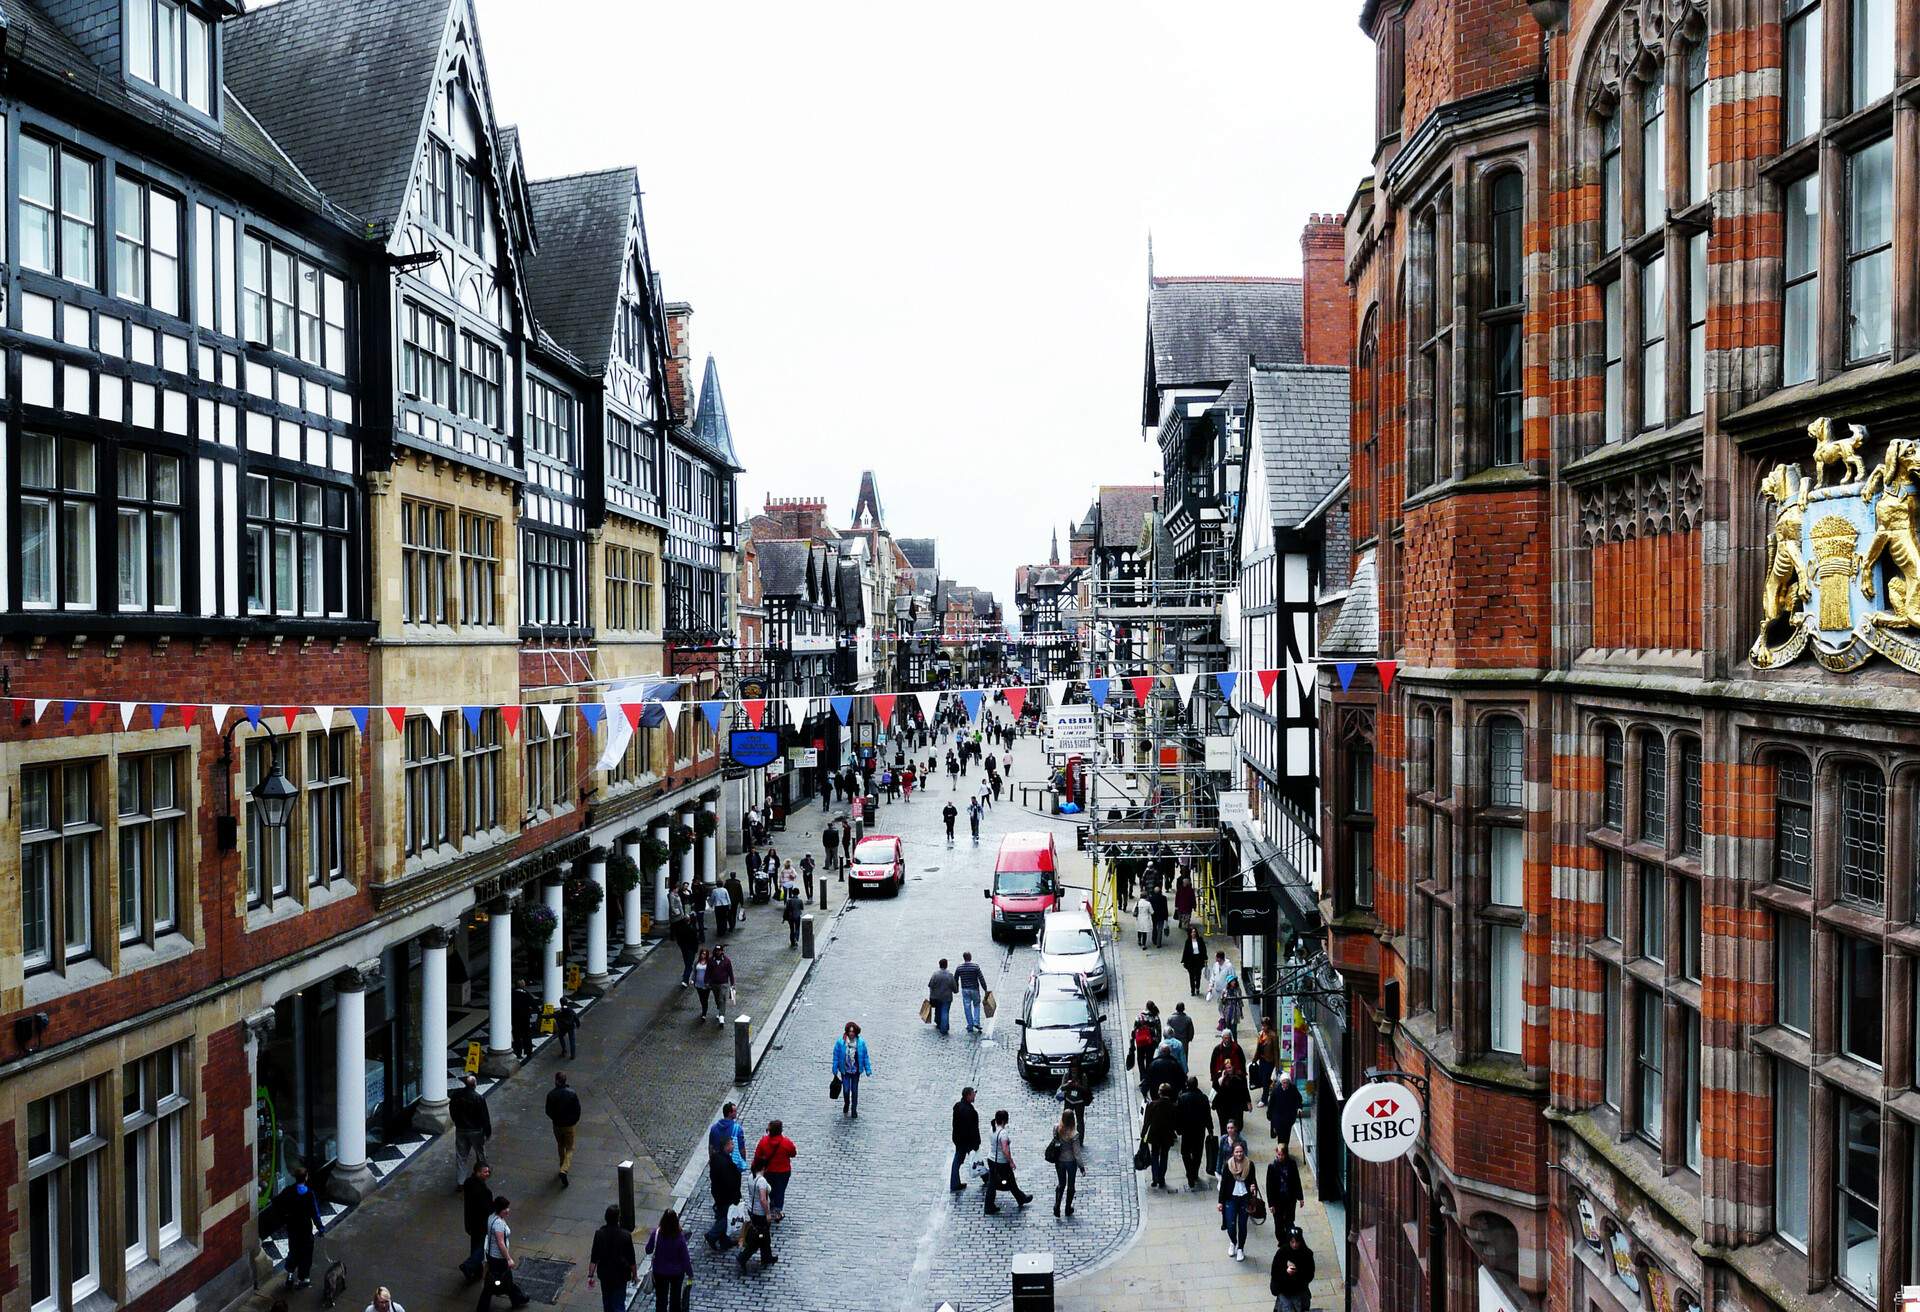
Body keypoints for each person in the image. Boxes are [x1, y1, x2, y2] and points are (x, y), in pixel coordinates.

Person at [475, 1197, 530, 1311]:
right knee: (503, 1280)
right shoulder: (499, 1223)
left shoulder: (491, 1217)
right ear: (500, 1209)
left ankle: (517, 1299)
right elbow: (501, 1243)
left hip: (491, 1255)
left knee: (497, 1280)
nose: (508, 1210)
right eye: (506, 1208)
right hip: (499, 1258)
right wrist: (508, 1259)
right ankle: (518, 1299)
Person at [274, 1165, 323, 1288]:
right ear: (306, 1177)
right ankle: (304, 1277)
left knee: (293, 1250)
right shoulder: (310, 1194)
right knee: (306, 1252)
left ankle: (290, 1274)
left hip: (293, 1227)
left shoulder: (288, 1191)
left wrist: (285, 1217)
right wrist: (320, 1228)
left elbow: (277, 1202)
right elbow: (315, 1213)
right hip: (305, 1228)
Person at [702, 1121, 745, 1253]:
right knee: (727, 1217)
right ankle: (712, 1235)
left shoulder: (717, 1158)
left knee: (722, 1215)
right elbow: (729, 1181)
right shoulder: (724, 1162)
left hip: (719, 1193)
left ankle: (724, 1240)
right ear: (726, 1146)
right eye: (732, 1144)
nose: (733, 1146)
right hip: (726, 1195)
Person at [586, 1205, 637, 1312]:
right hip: (620, 1274)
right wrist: (635, 1275)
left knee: (607, 1302)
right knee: (618, 1304)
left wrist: (590, 1275)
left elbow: (594, 1257)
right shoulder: (626, 1235)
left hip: (605, 1274)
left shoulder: (599, 1234)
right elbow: (631, 1258)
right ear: (618, 1218)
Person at [983, 1109, 1033, 1212]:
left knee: (992, 1183)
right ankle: (1021, 1198)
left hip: (991, 1159)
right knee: (1011, 1181)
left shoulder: (992, 1129)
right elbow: (1005, 1150)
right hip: (1001, 1162)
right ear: (1005, 1120)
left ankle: (989, 1205)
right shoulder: (1003, 1133)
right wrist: (1011, 1161)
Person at [642, 1210, 692, 1312]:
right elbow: (685, 1259)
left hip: (660, 1272)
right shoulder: (679, 1238)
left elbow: (648, 1250)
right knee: (675, 1299)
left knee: (661, 1300)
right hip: (677, 1273)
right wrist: (690, 1273)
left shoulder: (656, 1234)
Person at [1217, 1140, 1256, 1262]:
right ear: (1233, 1153)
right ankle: (1233, 1242)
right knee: (1230, 1224)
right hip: (1231, 1198)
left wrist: (1252, 1187)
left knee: (1243, 1225)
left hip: (1244, 1198)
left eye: (1241, 1151)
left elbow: (1252, 1180)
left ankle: (1240, 1248)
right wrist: (1220, 1202)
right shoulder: (1227, 1165)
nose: (1239, 1154)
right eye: (1236, 1152)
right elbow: (1223, 1184)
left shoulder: (1250, 1164)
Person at [450, 1073, 491, 1188]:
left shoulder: (457, 1095)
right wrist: (487, 1132)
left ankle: (460, 1182)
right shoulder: (478, 1098)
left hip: (461, 1129)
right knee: (480, 1154)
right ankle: (481, 1176)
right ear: (475, 1085)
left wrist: (456, 1122)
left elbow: (452, 1110)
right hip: (476, 1131)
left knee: (461, 1156)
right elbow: (484, 1117)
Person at [752, 1119, 798, 1220]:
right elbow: (793, 1153)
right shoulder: (786, 1142)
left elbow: (757, 1156)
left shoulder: (763, 1141)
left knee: (770, 1190)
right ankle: (777, 1210)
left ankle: (771, 1206)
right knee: (780, 1191)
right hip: (783, 1171)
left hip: (768, 1171)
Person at [737, 1161, 778, 1271]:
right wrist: (767, 1213)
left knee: (764, 1236)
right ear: (763, 1168)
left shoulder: (751, 1177)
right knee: (759, 1237)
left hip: (752, 1210)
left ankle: (767, 1256)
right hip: (760, 1213)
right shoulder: (762, 1181)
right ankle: (743, 1257)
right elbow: (763, 1199)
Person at [1176, 1076, 1215, 1188]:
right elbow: (1208, 1115)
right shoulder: (1203, 1098)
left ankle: (1190, 1172)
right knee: (1197, 1153)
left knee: (1185, 1153)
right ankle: (1194, 1172)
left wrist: (1178, 1129)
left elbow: (1178, 1115)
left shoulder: (1182, 1098)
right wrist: (1210, 1129)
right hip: (1199, 1130)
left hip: (1186, 1130)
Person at [459, 1162, 494, 1280]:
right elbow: (488, 1209)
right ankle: (469, 1266)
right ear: (477, 1172)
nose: (487, 1174)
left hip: (470, 1221)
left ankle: (476, 1271)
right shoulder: (484, 1192)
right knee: (483, 1247)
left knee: (475, 1245)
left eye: (488, 1171)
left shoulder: (468, 1183)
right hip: (481, 1224)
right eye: (485, 1172)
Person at [545, 1071, 581, 1187]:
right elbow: (577, 1110)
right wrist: (573, 1121)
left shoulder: (551, 1094)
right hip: (569, 1125)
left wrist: (555, 1118)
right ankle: (564, 1169)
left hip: (557, 1125)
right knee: (570, 1148)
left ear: (556, 1081)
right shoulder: (572, 1094)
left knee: (560, 1145)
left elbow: (548, 1111)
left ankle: (562, 1164)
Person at [1140, 1082, 1179, 1189]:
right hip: (1167, 1135)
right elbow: (1175, 1122)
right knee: (1164, 1156)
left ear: (1159, 1092)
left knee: (1154, 1155)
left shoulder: (1152, 1104)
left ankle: (1155, 1178)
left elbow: (1146, 1121)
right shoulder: (1173, 1106)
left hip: (1155, 1134)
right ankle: (1161, 1178)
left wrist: (1143, 1134)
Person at [832, 1021, 873, 1117]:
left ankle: (854, 1109)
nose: (851, 1033)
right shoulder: (840, 1042)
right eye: (850, 1031)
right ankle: (846, 1103)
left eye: (853, 1031)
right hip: (845, 1071)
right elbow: (836, 1056)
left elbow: (865, 1056)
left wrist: (867, 1069)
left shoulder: (861, 1043)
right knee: (846, 1090)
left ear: (856, 1032)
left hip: (855, 1071)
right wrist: (834, 1068)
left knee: (854, 1090)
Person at [1272, 1226, 1317, 1312]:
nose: (1295, 1244)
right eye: (1292, 1242)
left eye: (1297, 1242)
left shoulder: (1307, 1254)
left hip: (1299, 1291)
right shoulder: (1282, 1253)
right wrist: (1286, 1272)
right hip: (1284, 1292)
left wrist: (1298, 1272)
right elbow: (1275, 1272)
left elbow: (1310, 1274)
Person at [1268, 1141, 1307, 1238]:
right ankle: (1281, 1241)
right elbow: (1269, 1187)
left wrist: (1300, 1197)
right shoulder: (1272, 1166)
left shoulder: (1292, 1164)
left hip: (1289, 1198)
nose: (1280, 1157)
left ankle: (1290, 1240)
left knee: (1289, 1221)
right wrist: (1271, 1204)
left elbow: (1296, 1181)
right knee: (1278, 1222)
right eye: (1278, 1154)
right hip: (1278, 1199)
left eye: (1282, 1155)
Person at [1049, 1111, 1082, 1218]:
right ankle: (1068, 1208)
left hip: (1059, 1161)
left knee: (1061, 1184)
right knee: (1071, 1185)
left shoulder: (1056, 1128)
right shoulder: (1074, 1134)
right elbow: (1077, 1152)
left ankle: (1056, 1206)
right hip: (1071, 1162)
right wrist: (1081, 1166)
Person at [1213, 1063, 1252, 1148]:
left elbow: (1245, 1090)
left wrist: (1248, 1102)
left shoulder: (1239, 1076)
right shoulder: (1219, 1076)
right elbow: (1215, 1089)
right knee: (1224, 1127)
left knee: (1237, 1126)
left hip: (1236, 1106)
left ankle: (1236, 1145)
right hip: (1223, 1107)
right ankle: (1225, 1145)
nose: (1228, 1069)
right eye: (1226, 1068)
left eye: (1230, 1067)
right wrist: (1221, 1079)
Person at [951, 1086, 982, 1191]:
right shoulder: (970, 1111)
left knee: (960, 1160)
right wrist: (976, 1142)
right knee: (976, 1159)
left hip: (959, 1139)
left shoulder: (957, 1106)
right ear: (968, 1095)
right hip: (967, 1141)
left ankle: (955, 1183)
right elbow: (973, 1129)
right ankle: (987, 1178)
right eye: (973, 1093)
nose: (975, 1095)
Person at [1269, 1071, 1305, 1148]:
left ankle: (1284, 1149)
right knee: (1281, 1135)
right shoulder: (1276, 1090)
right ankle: (1281, 1151)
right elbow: (1271, 1104)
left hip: (1289, 1116)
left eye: (1286, 1082)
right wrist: (1270, 1115)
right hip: (1278, 1116)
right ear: (1281, 1082)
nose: (1285, 1084)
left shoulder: (1293, 1088)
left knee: (1286, 1135)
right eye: (1283, 1082)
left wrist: (1299, 1107)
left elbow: (1298, 1099)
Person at [1058, 1067, 1092, 1147]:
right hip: (1069, 1100)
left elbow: (1085, 1089)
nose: (1074, 1070)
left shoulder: (1082, 1076)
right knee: (1066, 1119)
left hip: (1079, 1102)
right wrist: (1068, 1084)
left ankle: (1080, 1140)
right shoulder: (1067, 1075)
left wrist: (1078, 1086)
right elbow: (1062, 1087)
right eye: (1072, 1068)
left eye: (1075, 1068)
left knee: (1080, 1121)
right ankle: (1065, 1138)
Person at [956, 951, 988, 1033]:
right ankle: (976, 1022)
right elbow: (981, 979)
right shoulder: (975, 967)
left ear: (964, 958)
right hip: (975, 989)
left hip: (965, 990)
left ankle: (970, 1025)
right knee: (976, 1005)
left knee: (967, 1007)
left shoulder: (959, 968)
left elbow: (955, 979)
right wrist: (985, 989)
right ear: (970, 957)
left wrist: (956, 988)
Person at [1146, 1044, 1184, 1110]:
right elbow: (1182, 1079)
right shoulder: (1174, 1064)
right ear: (1170, 1053)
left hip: (1155, 1095)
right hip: (1172, 1095)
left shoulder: (1153, 1064)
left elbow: (1147, 1079)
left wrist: (1145, 1092)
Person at [1210, 1028, 1248, 1092]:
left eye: (1228, 1038)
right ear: (1222, 1038)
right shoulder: (1217, 1049)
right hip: (1221, 1074)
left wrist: (1242, 1073)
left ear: (1231, 1038)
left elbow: (1242, 1061)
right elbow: (1213, 1063)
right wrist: (1213, 1076)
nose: (1227, 1040)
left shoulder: (1237, 1048)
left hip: (1234, 1074)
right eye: (1225, 1038)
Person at [1251, 1018, 1279, 1105]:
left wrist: (1277, 1065)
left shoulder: (1273, 1036)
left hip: (1269, 1061)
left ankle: (1264, 1099)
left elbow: (1276, 1051)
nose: (1263, 1027)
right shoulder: (1261, 1034)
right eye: (1262, 1025)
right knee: (1262, 1077)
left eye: (1265, 1025)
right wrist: (1255, 1059)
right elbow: (1258, 1048)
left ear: (1269, 1026)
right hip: (1262, 1059)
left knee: (1265, 1079)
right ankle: (1269, 1090)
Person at [707, 944, 735, 1029]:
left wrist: (732, 983)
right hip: (714, 983)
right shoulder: (711, 960)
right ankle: (720, 1009)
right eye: (716, 950)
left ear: (722, 951)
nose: (718, 952)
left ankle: (721, 1017)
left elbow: (730, 973)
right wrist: (706, 981)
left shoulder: (727, 961)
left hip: (724, 983)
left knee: (722, 998)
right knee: (717, 999)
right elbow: (708, 971)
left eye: (719, 950)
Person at [927, 959, 958, 1035]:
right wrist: (955, 990)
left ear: (939, 965)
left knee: (938, 1009)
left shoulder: (935, 974)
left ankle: (938, 1022)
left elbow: (930, 984)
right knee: (945, 1012)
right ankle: (944, 1028)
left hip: (936, 996)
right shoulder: (950, 975)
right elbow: (954, 987)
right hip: (947, 997)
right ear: (946, 965)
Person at [509, 980, 536, 1059]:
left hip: (515, 1018)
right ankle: (528, 1053)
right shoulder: (526, 994)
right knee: (526, 1036)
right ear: (523, 986)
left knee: (516, 1036)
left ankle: (518, 1053)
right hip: (524, 1019)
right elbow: (533, 1004)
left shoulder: (511, 993)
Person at [784, 881, 804, 947]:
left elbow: (786, 909)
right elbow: (802, 908)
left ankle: (792, 941)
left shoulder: (789, 900)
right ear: (798, 893)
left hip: (790, 917)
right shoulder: (800, 900)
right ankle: (796, 939)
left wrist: (784, 918)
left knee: (791, 929)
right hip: (797, 916)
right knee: (797, 928)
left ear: (792, 893)